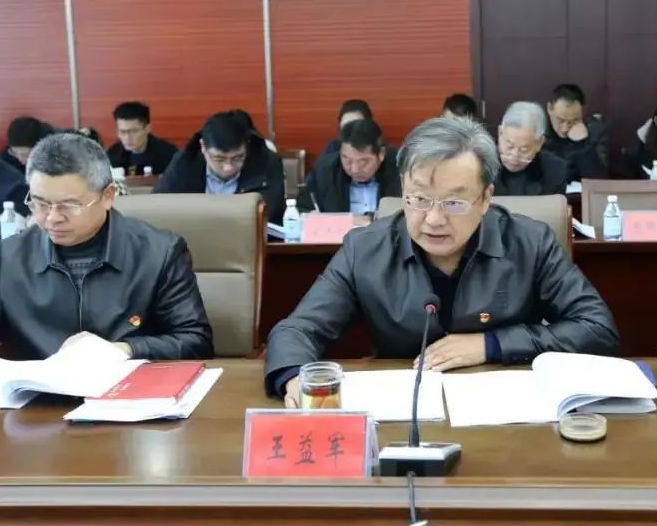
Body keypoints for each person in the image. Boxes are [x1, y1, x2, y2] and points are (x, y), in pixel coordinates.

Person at [264, 117, 619, 404]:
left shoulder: (530, 242)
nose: (434, 219)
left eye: (454, 202)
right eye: (419, 199)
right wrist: (294, 377)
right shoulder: (365, 249)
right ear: (403, 187)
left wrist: (492, 344)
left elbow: (597, 328)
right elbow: (297, 330)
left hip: (507, 410)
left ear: (486, 198)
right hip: (403, 409)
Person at [0, 132, 213, 385]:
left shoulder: (159, 251)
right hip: (36, 412)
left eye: (68, 206)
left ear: (108, 196)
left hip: (134, 401)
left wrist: (125, 349)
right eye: (39, 203)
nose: (51, 218)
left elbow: (194, 340)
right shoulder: (12, 256)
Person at [155, 111, 285, 222]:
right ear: (203, 147)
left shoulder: (266, 162)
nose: (228, 167)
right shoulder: (185, 162)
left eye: (237, 158)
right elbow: (158, 207)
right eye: (219, 159)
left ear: (247, 146)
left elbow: (273, 215)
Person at [301, 118, 401, 213]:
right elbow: (302, 209)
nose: (354, 169)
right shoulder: (325, 171)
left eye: (363, 161)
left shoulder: (400, 170)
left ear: (381, 154)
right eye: (347, 159)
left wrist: (371, 220)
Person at [494, 101, 568, 196]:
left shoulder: (555, 170)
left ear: (540, 143)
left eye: (523, 150)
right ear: (500, 133)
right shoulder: (480, 165)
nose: (515, 155)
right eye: (509, 146)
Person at [544, 83, 610, 180]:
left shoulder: (596, 131)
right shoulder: (537, 131)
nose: (565, 129)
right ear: (549, 108)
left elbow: (599, 180)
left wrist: (582, 145)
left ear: (583, 111)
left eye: (574, 121)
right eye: (560, 120)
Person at [106, 102, 178, 176]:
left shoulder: (169, 155)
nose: (127, 138)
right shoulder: (111, 156)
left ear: (147, 128)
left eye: (133, 131)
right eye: (122, 132)